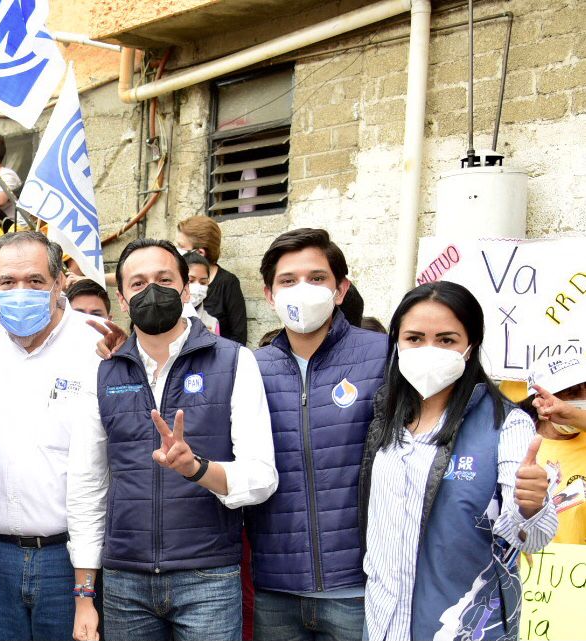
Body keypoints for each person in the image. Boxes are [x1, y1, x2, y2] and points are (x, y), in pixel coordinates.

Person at [68, 238, 278, 641]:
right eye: (138, 282)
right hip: (124, 581)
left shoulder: (234, 361)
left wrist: (198, 469)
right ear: (123, 298)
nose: (153, 291)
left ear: (186, 289)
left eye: (165, 279)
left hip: (208, 578)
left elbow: (262, 476)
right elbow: (86, 486)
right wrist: (84, 594)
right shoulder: (101, 372)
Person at [358, 281, 557, 641]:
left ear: (471, 346)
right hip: (382, 620)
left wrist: (530, 508)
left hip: (460, 627)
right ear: (397, 344)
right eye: (414, 338)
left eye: (446, 339)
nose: (428, 349)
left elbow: (532, 539)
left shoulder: (505, 424)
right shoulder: (384, 418)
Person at [0, 231, 104, 641]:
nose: (21, 292)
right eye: (8, 282)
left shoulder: (97, 344)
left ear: (60, 283)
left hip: (68, 559)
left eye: (35, 281)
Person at [248, 228, 388, 641]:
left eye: (317, 278)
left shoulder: (382, 354)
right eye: (287, 281)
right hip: (277, 588)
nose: (301, 290)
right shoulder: (249, 368)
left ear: (341, 289)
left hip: (358, 586)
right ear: (270, 295)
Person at [523, 355, 586, 543]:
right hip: (525, 567)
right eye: (573, 393)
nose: (583, 400)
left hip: (576, 569)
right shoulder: (515, 443)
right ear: (539, 399)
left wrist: (575, 417)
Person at [176, 216, 247, 345]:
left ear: (200, 252)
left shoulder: (227, 283)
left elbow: (239, 335)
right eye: (191, 281)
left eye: (181, 246)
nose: (176, 250)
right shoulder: (174, 280)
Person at [182, 251, 219, 334]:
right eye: (191, 281)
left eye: (203, 282)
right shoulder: (166, 318)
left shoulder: (212, 323)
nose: (197, 287)